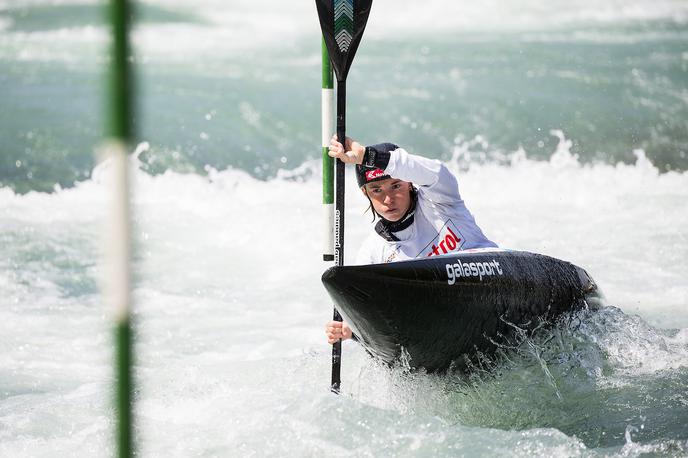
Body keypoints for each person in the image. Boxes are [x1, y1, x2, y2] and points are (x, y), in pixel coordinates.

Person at [325, 135, 497, 344]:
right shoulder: (373, 254)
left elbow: (434, 171)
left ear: (408, 182)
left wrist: (366, 156)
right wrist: (352, 331)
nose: (388, 199)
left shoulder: (440, 199)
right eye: (376, 190)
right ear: (365, 192)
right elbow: (380, 321)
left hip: (490, 287)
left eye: (395, 186)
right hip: (444, 325)